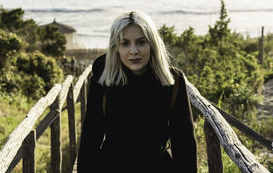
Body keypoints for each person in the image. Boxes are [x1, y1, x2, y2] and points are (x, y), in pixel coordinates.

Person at [77, 11, 197, 173]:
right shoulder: (103, 79)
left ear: (152, 44)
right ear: (116, 47)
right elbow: (90, 138)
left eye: (141, 42)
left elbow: (184, 143)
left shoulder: (172, 81)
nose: (133, 51)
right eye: (125, 43)